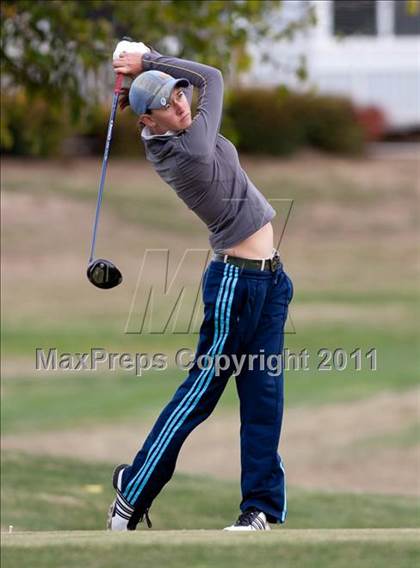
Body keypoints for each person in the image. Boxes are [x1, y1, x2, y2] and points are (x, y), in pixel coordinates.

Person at [108, 41, 294, 531]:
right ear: (149, 122)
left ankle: (260, 510)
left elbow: (198, 82)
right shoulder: (185, 148)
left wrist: (146, 70)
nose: (180, 101)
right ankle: (133, 492)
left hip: (271, 281)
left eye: (178, 93)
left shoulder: (183, 128)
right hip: (235, 282)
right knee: (201, 394)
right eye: (166, 103)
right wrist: (148, 61)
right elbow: (212, 74)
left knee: (264, 399)